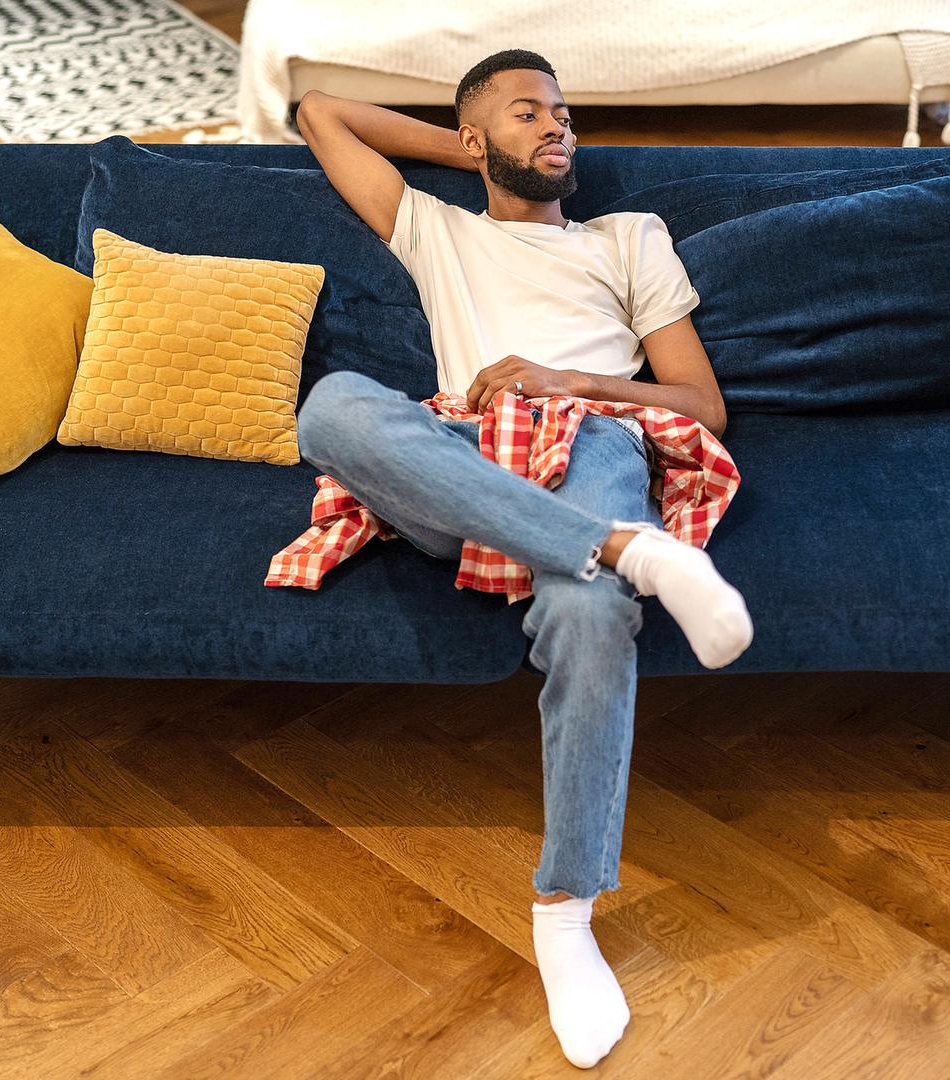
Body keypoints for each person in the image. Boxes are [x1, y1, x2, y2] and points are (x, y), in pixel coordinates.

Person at [290, 49, 754, 1069]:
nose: (558, 128)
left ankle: (564, 909)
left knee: (592, 614)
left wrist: (562, 378)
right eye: (528, 113)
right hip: (465, 456)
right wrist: (464, 146)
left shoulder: (629, 238)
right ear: (473, 141)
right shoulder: (436, 228)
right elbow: (320, 108)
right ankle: (628, 550)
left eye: (565, 114)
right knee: (332, 407)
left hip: (589, 434)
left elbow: (701, 407)